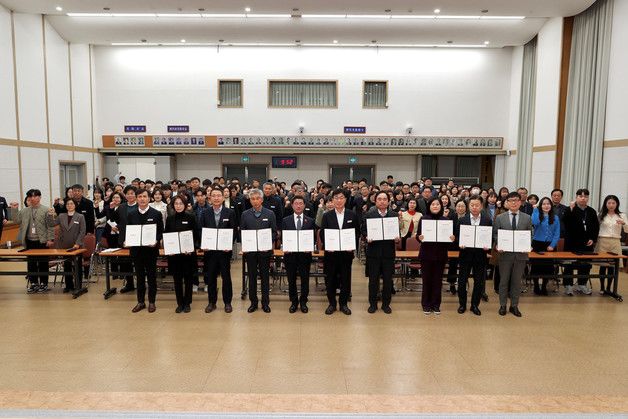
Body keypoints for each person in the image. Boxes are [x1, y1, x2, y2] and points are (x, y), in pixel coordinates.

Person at [493, 192, 533, 317]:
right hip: (505, 255)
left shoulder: (527, 218)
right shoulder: (500, 217)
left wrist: (528, 245)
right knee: (504, 281)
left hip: (521, 255)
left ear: (520, 202)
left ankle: (514, 306)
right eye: (511, 200)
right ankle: (503, 305)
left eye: (516, 200)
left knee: (516, 281)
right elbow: (495, 234)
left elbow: (530, 234)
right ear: (507, 203)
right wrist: (497, 244)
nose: (514, 203)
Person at [320, 189, 359, 315]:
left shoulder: (352, 215)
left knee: (345, 279)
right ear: (332, 200)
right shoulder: (327, 215)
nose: (339, 200)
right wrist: (327, 245)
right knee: (330, 279)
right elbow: (322, 233)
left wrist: (352, 246)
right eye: (336, 198)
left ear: (345, 200)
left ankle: (343, 304)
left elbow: (356, 232)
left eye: (341, 197)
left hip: (346, 254)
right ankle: (332, 303)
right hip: (331, 253)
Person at [8, 190, 55, 293]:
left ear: (39, 197)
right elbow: (16, 220)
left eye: (34, 196)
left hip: (42, 241)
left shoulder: (46, 210)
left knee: (43, 263)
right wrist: (14, 209)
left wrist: (50, 239)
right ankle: (33, 283)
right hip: (29, 241)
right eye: (30, 196)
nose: (32, 198)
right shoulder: (25, 211)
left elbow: (50, 226)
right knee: (31, 263)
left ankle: (44, 283)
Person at [125, 188, 163, 313]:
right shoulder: (131, 214)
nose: (142, 199)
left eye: (144, 196)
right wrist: (127, 241)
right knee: (140, 277)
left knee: (152, 277)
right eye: (140, 196)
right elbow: (129, 231)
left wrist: (156, 241)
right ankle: (140, 302)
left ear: (149, 198)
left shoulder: (156, 214)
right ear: (136, 198)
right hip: (137, 251)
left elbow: (160, 232)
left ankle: (152, 302)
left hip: (151, 251)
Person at [240, 188, 278, 313]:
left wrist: (267, 240)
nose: (255, 201)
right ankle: (253, 303)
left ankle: (265, 303)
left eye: (258, 198)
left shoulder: (270, 213)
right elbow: (242, 233)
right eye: (253, 199)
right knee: (251, 277)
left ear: (261, 200)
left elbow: (274, 232)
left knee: (265, 277)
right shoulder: (245, 214)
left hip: (264, 251)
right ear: (250, 200)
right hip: (251, 252)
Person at [362, 191, 399, 314]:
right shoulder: (369, 215)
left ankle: (386, 304)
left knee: (388, 280)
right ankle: (372, 304)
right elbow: (363, 231)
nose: (382, 201)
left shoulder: (393, 215)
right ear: (375, 201)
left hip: (388, 253)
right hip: (373, 252)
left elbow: (396, 232)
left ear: (388, 201)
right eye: (379, 199)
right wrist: (367, 236)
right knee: (373, 280)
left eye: (384, 199)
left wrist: (397, 238)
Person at [416, 197, 455, 314]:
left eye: (437, 204)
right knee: (426, 280)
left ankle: (436, 304)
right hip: (426, 254)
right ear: (429, 206)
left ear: (441, 206)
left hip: (440, 255)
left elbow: (449, 240)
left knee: (438, 281)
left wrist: (452, 239)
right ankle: (426, 304)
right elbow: (418, 236)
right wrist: (419, 238)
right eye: (433, 204)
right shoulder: (423, 219)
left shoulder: (446, 220)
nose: (435, 206)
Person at [202, 188, 237, 313]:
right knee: (211, 277)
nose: (216, 198)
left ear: (223, 197)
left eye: (218, 196)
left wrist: (230, 244)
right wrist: (203, 244)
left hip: (224, 252)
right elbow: (202, 231)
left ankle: (227, 302)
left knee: (226, 277)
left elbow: (234, 231)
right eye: (214, 196)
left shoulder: (230, 213)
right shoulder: (205, 212)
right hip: (210, 252)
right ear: (210, 198)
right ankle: (212, 302)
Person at [455, 195, 492, 315]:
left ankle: (475, 305)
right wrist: (459, 244)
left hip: (480, 256)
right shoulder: (462, 220)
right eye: (472, 205)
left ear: (481, 206)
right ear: (468, 206)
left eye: (477, 205)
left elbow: (490, 237)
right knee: (462, 282)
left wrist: (488, 246)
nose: (474, 207)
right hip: (465, 255)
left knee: (479, 282)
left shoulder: (487, 220)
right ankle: (462, 304)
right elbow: (456, 238)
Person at [281, 196, 315, 313]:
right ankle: (294, 302)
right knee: (291, 279)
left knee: (305, 279)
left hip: (304, 256)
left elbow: (313, 238)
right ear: (292, 205)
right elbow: (283, 238)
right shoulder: (286, 220)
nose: (299, 206)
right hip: (290, 255)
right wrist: (285, 246)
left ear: (304, 205)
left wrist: (310, 247)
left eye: (301, 203)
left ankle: (303, 301)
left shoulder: (310, 221)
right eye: (296, 203)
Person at [562, 189, 599, 296]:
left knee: (585, 265)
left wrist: (593, 238)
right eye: (580, 196)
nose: (583, 198)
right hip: (571, 242)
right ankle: (568, 286)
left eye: (585, 196)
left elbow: (596, 227)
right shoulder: (571, 209)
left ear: (588, 198)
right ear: (576, 197)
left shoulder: (591, 211)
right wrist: (570, 208)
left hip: (587, 243)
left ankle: (582, 284)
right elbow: (565, 221)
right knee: (569, 264)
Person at [165, 195, 198, 313]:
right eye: (176, 204)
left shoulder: (191, 217)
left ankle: (187, 303)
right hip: (175, 256)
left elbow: (196, 235)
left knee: (188, 279)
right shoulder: (170, 218)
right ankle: (179, 303)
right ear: (173, 205)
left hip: (188, 254)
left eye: (181, 203)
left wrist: (192, 247)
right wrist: (169, 249)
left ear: (185, 205)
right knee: (177, 280)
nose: (178, 206)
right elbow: (167, 235)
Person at [47, 198, 86, 293]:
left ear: (75, 205)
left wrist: (78, 243)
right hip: (64, 246)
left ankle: (78, 285)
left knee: (78, 266)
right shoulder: (61, 216)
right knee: (67, 266)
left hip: (76, 246)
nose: (69, 205)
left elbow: (82, 231)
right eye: (68, 204)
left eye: (71, 203)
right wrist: (49, 215)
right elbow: (51, 224)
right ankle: (68, 285)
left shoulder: (80, 216)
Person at [595, 195, 628, 295]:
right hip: (602, 241)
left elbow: (627, 230)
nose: (611, 205)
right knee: (603, 266)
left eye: (613, 203)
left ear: (617, 204)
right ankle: (602, 287)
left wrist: (624, 223)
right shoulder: (600, 215)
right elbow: (595, 229)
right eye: (609, 203)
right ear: (605, 204)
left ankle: (609, 288)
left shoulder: (622, 215)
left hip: (615, 242)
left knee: (612, 266)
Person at [530, 197, 560, 295]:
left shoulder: (555, 217)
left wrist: (552, 245)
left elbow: (557, 233)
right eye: (543, 204)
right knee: (536, 267)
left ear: (551, 205)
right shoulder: (537, 215)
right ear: (540, 206)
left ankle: (544, 287)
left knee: (547, 268)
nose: (546, 206)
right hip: (537, 244)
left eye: (548, 204)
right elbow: (534, 222)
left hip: (550, 245)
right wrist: (535, 210)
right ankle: (536, 286)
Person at [111, 185, 138, 293]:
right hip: (124, 238)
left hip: (137, 239)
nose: (130, 195)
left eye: (132, 193)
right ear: (125, 195)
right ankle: (129, 283)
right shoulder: (121, 207)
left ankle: (141, 283)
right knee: (126, 263)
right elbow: (115, 219)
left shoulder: (140, 206)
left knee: (138, 262)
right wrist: (112, 209)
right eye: (128, 193)